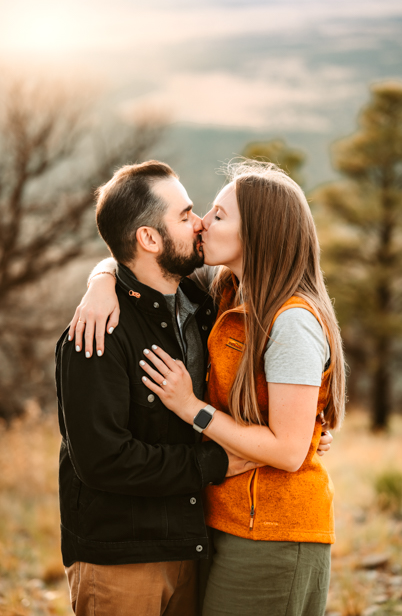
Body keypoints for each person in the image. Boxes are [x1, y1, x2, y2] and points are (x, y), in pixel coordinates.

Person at [70, 160, 341, 616]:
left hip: (272, 529)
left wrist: (192, 408)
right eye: (196, 213)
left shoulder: (282, 318)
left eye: (217, 215)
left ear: (254, 234)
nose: (201, 224)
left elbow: (291, 451)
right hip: (215, 528)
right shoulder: (225, 294)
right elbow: (135, 251)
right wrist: (103, 279)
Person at [56, 160, 269, 616]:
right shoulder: (98, 332)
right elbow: (102, 461)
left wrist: (304, 428)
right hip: (121, 560)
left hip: (192, 545)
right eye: (186, 214)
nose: (200, 224)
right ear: (149, 239)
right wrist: (215, 461)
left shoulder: (203, 302)